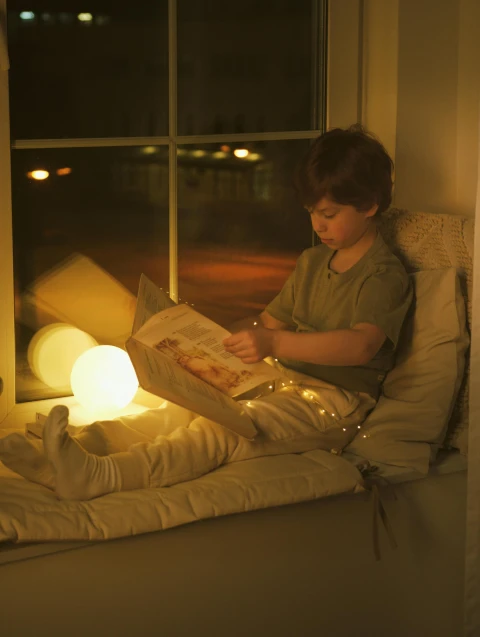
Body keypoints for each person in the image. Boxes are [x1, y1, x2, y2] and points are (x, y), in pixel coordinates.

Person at [0, 125, 413, 501]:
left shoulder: (383, 274)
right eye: (311, 214)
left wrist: (275, 343)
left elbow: (361, 345)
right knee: (180, 410)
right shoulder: (312, 262)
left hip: (334, 405)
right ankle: (66, 453)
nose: (318, 225)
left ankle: (100, 476)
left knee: (219, 431)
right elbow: (267, 324)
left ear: (370, 205)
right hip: (282, 380)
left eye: (328, 215)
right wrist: (207, 339)